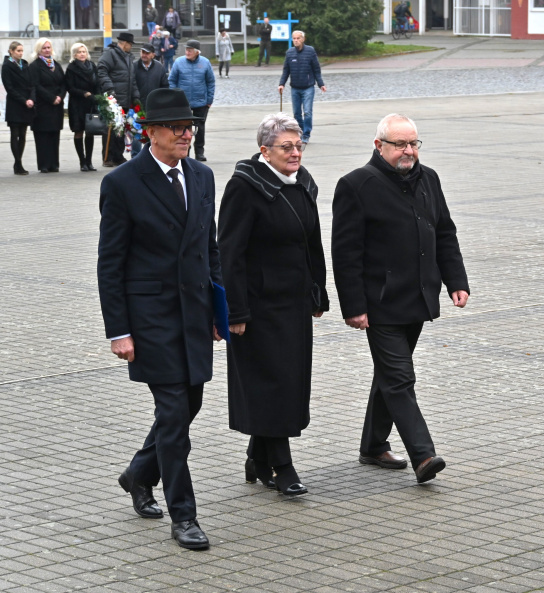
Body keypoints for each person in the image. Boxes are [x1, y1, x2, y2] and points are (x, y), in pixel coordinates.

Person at [97, 87, 222, 551]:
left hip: (195, 316)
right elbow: (110, 263)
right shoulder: (123, 183)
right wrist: (119, 331)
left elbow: (210, 249)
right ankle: (183, 517)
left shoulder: (203, 176)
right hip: (149, 319)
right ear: (150, 132)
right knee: (173, 415)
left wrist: (220, 310)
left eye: (190, 127)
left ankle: (137, 473)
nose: (187, 134)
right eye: (177, 127)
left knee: (188, 408)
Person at [331, 114, 470, 484]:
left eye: (413, 144)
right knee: (400, 377)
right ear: (379, 146)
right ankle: (423, 454)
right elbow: (345, 253)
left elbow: (444, 233)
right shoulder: (356, 185)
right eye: (400, 144)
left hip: (419, 297)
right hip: (379, 303)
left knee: (390, 375)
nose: (408, 151)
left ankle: (373, 445)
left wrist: (456, 280)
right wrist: (354, 306)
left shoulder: (429, 179)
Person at [218, 113, 329, 497]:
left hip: (294, 303)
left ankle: (258, 455)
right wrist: (236, 310)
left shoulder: (302, 184)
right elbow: (229, 253)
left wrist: (319, 290)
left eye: (299, 145)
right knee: (271, 385)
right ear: (265, 151)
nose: (295, 152)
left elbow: (312, 241)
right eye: (287, 146)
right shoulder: (245, 187)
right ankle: (282, 465)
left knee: (289, 382)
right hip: (259, 307)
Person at [97, 32, 140, 166]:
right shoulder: (110, 54)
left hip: (125, 99)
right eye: (130, 44)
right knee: (110, 128)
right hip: (113, 98)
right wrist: (109, 87)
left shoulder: (128, 57)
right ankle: (107, 157)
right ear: (125, 43)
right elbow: (102, 70)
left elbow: (131, 80)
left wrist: (135, 96)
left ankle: (118, 156)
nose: (131, 47)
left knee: (121, 129)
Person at [169, 40, 214, 162]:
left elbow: (210, 82)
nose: (187, 52)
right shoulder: (179, 62)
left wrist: (209, 100)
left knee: (200, 128)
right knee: (184, 128)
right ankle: (185, 152)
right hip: (183, 103)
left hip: (201, 103)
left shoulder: (205, 63)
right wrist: (175, 96)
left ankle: (199, 152)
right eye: (186, 50)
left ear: (197, 52)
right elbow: (172, 80)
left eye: (190, 50)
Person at [278, 31, 326, 144]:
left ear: (303, 39)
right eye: (294, 38)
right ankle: (300, 132)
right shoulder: (289, 53)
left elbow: (316, 69)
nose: (296, 40)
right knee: (296, 113)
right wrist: (281, 84)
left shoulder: (310, 51)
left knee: (308, 112)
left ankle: (306, 133)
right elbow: (286, 70)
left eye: (298, 38)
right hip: (295, 87)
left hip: (308, 87)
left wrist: (321, 84)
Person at [29, 38, 66, 174]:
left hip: (56, 106)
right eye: (44, 48)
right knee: (42, 137)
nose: (47, 50)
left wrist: (60, 97)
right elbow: (36, 85)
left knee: (54, 136)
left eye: (48, 47)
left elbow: (63, 83)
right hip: (43, 106)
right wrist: (51, 98)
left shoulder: (56, 64)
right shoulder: (35, 66)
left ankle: (54, 164)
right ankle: (44, 164)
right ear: (39, 50)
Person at [2, 41, 35, 175]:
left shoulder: (25, 65)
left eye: (22, 51)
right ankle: (18, 162)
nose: (21, 53)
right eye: (18, 51)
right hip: (15, 104)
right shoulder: (6, 66)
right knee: (15, 133)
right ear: (11, 51)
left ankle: (19, 161)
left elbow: (32, 83)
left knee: (23, 134)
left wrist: (31, 98)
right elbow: (9, 87)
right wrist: (23, 100)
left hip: (27, 103)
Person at [65, 42, 99, 171]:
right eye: (79, 52)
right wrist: (83, 93)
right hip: (77, 104)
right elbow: (70, 87)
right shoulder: (71, 68)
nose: (82, 54)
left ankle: (89, 161)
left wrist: (98, 96)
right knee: (79, 131)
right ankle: (82, 161)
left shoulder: (92, 66)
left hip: (91, 103)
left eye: (84, 51)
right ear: (74, 54)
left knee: (90, 132)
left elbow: (98, 83)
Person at [133, 43, 169, 158]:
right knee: (137, 132)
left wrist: (161, 102)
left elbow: (165, 86)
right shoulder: (134, 66)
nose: (144, 55)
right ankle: (136, 157)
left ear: (153, 55)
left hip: (154, 107)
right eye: (142, 52)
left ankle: (151, 156)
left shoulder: (159, 67)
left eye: (147, 53)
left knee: (153, 132)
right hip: (137, 106)